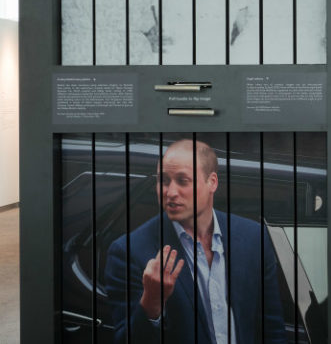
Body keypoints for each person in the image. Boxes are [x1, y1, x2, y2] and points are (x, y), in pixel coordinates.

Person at [103, 139, 285, 344]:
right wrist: (151, 303)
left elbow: (272, 329)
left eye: (182, 180)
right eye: (163, 180)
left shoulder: (253, 238)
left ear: (212, 182)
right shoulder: (129, 251)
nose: (170, 192)